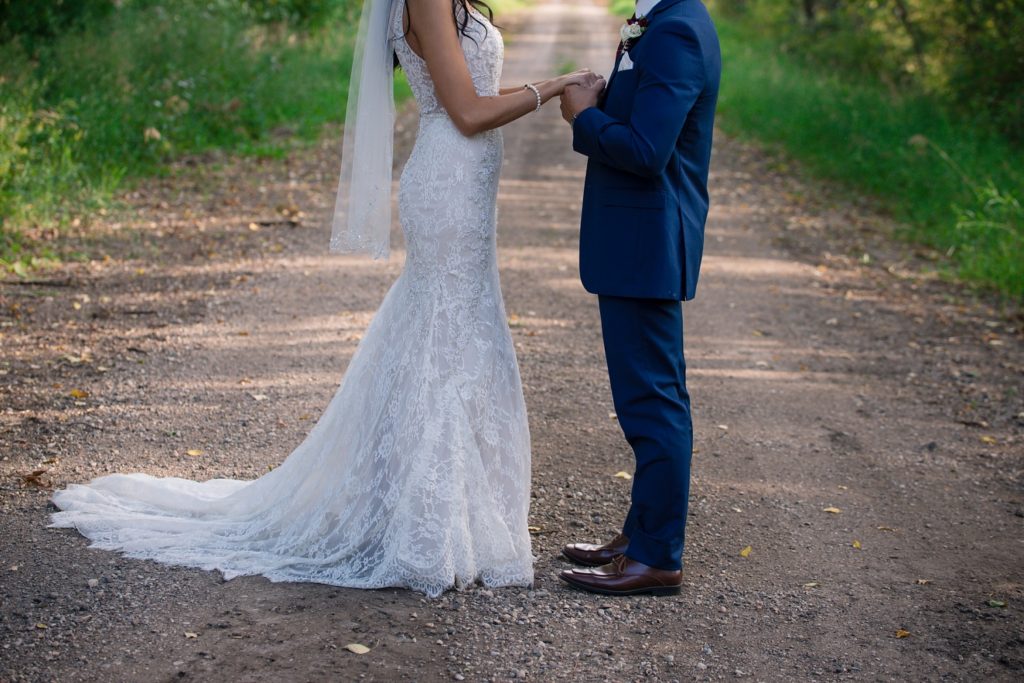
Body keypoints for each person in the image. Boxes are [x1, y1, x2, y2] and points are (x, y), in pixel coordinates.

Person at [48, 0, 602, 599]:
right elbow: (467, 111)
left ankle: (448, 516)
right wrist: (555, 86)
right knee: (445, 333)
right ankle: (425, 527)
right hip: (448, 182)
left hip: (469, 187)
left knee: (452, 333)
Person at [557, 0, 721, 596]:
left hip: (648, 245)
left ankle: (657, 556)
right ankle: (641, 533)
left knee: (652, 402)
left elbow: (649, 152)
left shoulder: (676, 29)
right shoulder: (660, 20)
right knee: (647, 398)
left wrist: (583, 117)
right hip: (637, 243)